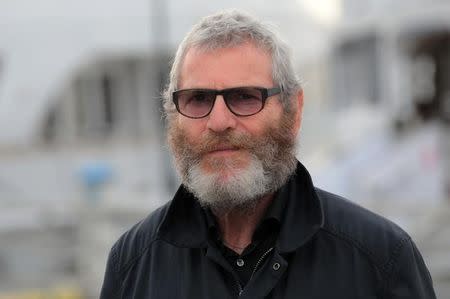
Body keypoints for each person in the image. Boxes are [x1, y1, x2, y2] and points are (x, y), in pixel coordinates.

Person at [100, 10, 436, 298]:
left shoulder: (380, 261)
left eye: (245, 97)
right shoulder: (132, 266)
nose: (219, 121)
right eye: (198, 99)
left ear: (294, 111)